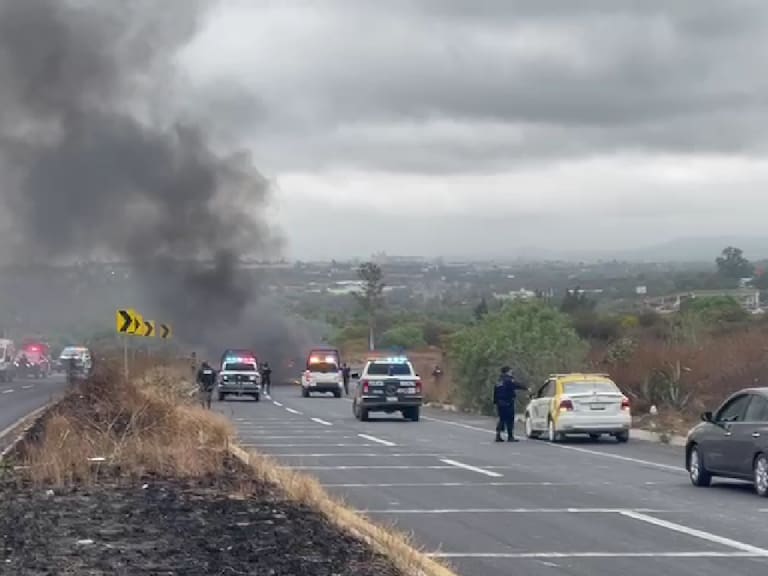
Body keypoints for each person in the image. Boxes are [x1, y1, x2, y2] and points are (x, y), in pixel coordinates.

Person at [493, 366, 528, 442]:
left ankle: (498, 435)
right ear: (507, 371)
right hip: (508, 402)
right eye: (511, 371)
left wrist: (496, 402)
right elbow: (516, 385)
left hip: (500, 402)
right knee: (510, 419)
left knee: (502, 419)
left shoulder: (499, 381)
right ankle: (510, 436)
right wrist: (526, 388)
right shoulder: (508, 380)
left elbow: (495, 392)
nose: (512, 372)